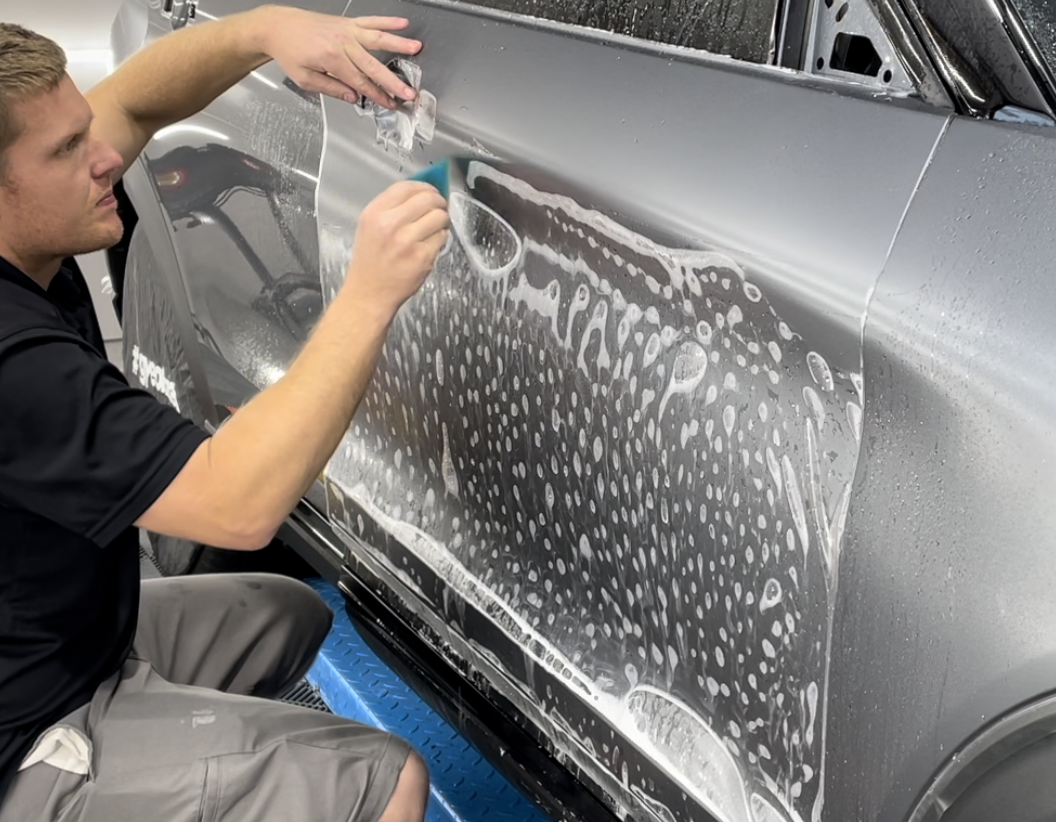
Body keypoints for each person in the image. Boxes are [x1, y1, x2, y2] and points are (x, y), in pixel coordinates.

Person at [0, 5, 450, 822]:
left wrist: (264, 29)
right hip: (25, 732)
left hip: (61, 644)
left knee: (287, 616)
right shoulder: (13, 364)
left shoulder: (25, 221)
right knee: (383, 780)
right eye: (68, 149)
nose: (105, 156)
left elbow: (133, 104)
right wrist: (369, 293)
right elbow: (236, 504)